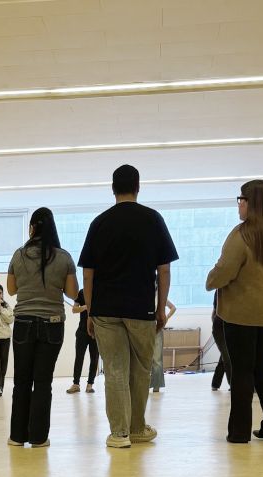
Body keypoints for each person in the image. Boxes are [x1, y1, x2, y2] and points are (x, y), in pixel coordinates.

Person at [79, 165, 178, 448]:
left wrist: (91, 310)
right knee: (140, 369)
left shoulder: (99, 223)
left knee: (114, 370)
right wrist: (161, 308)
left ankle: (119, 434)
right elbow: (164, 270)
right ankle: (137, 428)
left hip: (105, 310)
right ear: (138, 187)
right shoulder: (153, 219)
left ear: (113, 188)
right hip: (141, 309)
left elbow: (88, 273)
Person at [206, 179, 263, 443]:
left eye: (241, 200)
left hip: (242, 314)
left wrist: (210, 281)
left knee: (242, 370)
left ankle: (239, 432)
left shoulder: (242, 234)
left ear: (251, 203)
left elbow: (225, 270)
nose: (239, 205)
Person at [7, 208, 78, 447]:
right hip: (52, 324)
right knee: (43, 382)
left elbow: (11, 289)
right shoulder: (64, 257)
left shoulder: (19, 255)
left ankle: (17, 436)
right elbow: (72, 292)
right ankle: (39, 437)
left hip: (23, 322)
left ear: (32, 228)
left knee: (21, 381)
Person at [66, 289, 99, 395]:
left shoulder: (99, 291)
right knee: (79, 357)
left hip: (95, 331)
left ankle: (90, 385)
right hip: (82, 331)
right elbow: (74, 309)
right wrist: (85, 307)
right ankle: (76, 384)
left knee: (94, 358)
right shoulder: (81, 292)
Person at [150, 298, 177, 393]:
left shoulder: (160, 296)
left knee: (157, 359)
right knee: (144, 359)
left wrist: (166, 317)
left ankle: (156, 386)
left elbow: (173, 307)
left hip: (157, 328)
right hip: (145, 328)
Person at [210, 294, 231, 391]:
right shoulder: (219, 292)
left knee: (224, 355)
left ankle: (215, 383)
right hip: (219, 328)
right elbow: (214, 312)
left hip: (230, 327)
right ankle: (233, 384)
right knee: (227, 356)